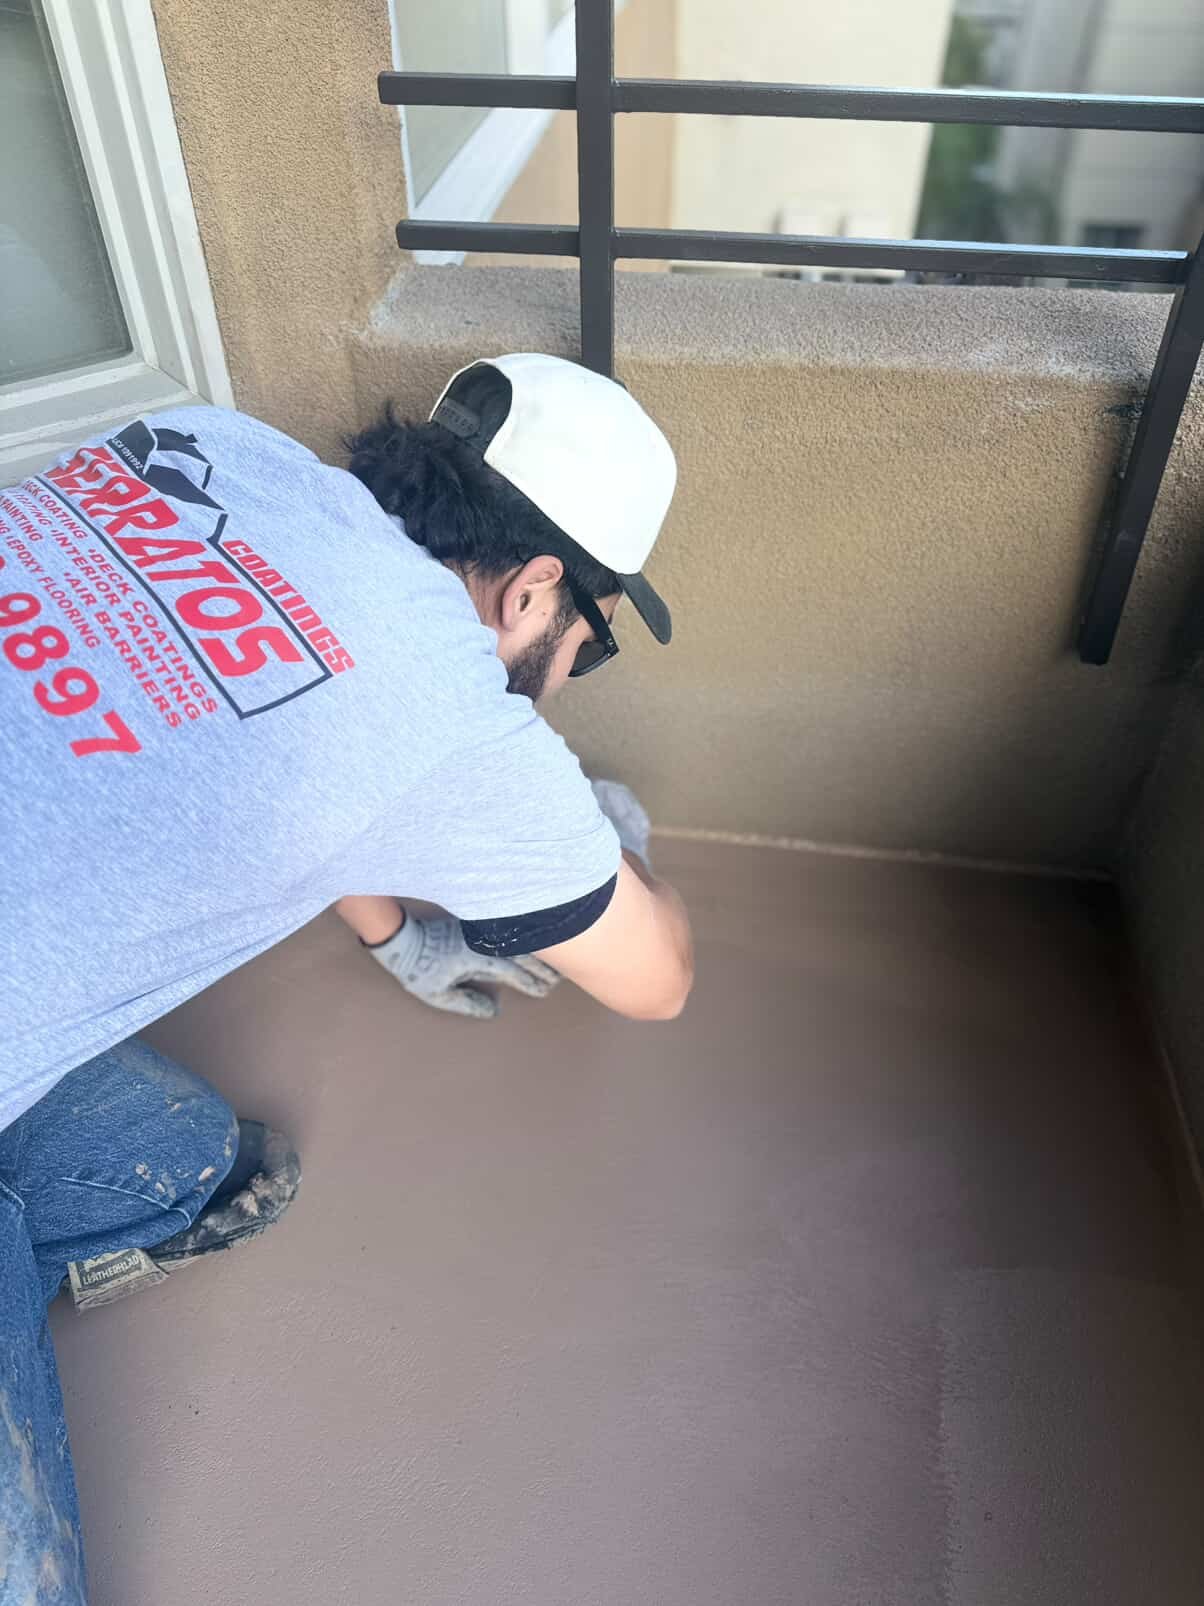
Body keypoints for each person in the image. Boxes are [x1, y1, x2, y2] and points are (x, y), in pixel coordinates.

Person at [0, 353, 694, 1601]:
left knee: (197, 1166)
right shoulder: (459, 722)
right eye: (581, 651)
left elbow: (292, 721)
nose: (562, 684)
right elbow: (656, 981)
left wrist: (395, 937)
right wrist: (617, 844)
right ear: (534, 591)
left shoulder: (208, 441)